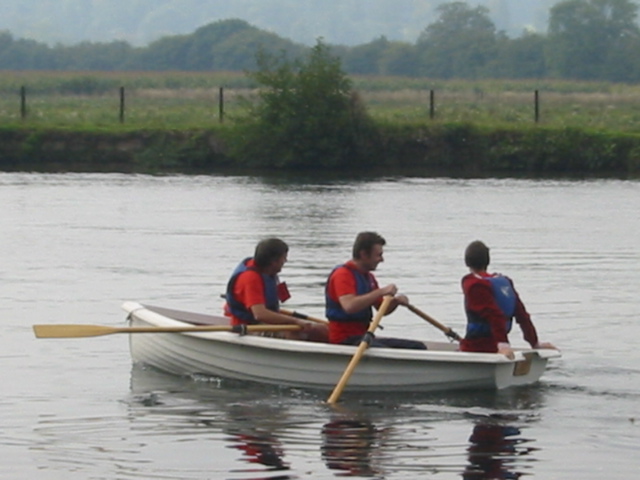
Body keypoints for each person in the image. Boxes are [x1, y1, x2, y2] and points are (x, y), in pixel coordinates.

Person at [325, 231, 426, 349]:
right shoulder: (342, 275)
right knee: (384, 351)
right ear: (364, 254)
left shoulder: (368, 277)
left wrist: (396, 302)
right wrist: (381, 292)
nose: (381, 259)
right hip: (344, 339)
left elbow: (382, 309)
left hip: (363, 336)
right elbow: (349, 306)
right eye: (378, 255)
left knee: (418, 347)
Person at [460, 240, 556, 359]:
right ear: (487, 261)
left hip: (477, 348)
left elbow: (494, 315)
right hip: (496, 345)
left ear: (467, 262)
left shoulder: (474, 284)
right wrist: (534, 343)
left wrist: (503, 345)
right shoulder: (504, 282)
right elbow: (522, 316)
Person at [225, 237, 328, 342]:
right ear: (274, 261)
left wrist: (299, 321)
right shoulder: (251, 278)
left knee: (322, 329)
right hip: (249, 326)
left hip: (263, 322)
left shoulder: (267, 272)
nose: (285, 261)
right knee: (298, 333)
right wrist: (296, 321)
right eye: (284, 258)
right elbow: (260, 314)